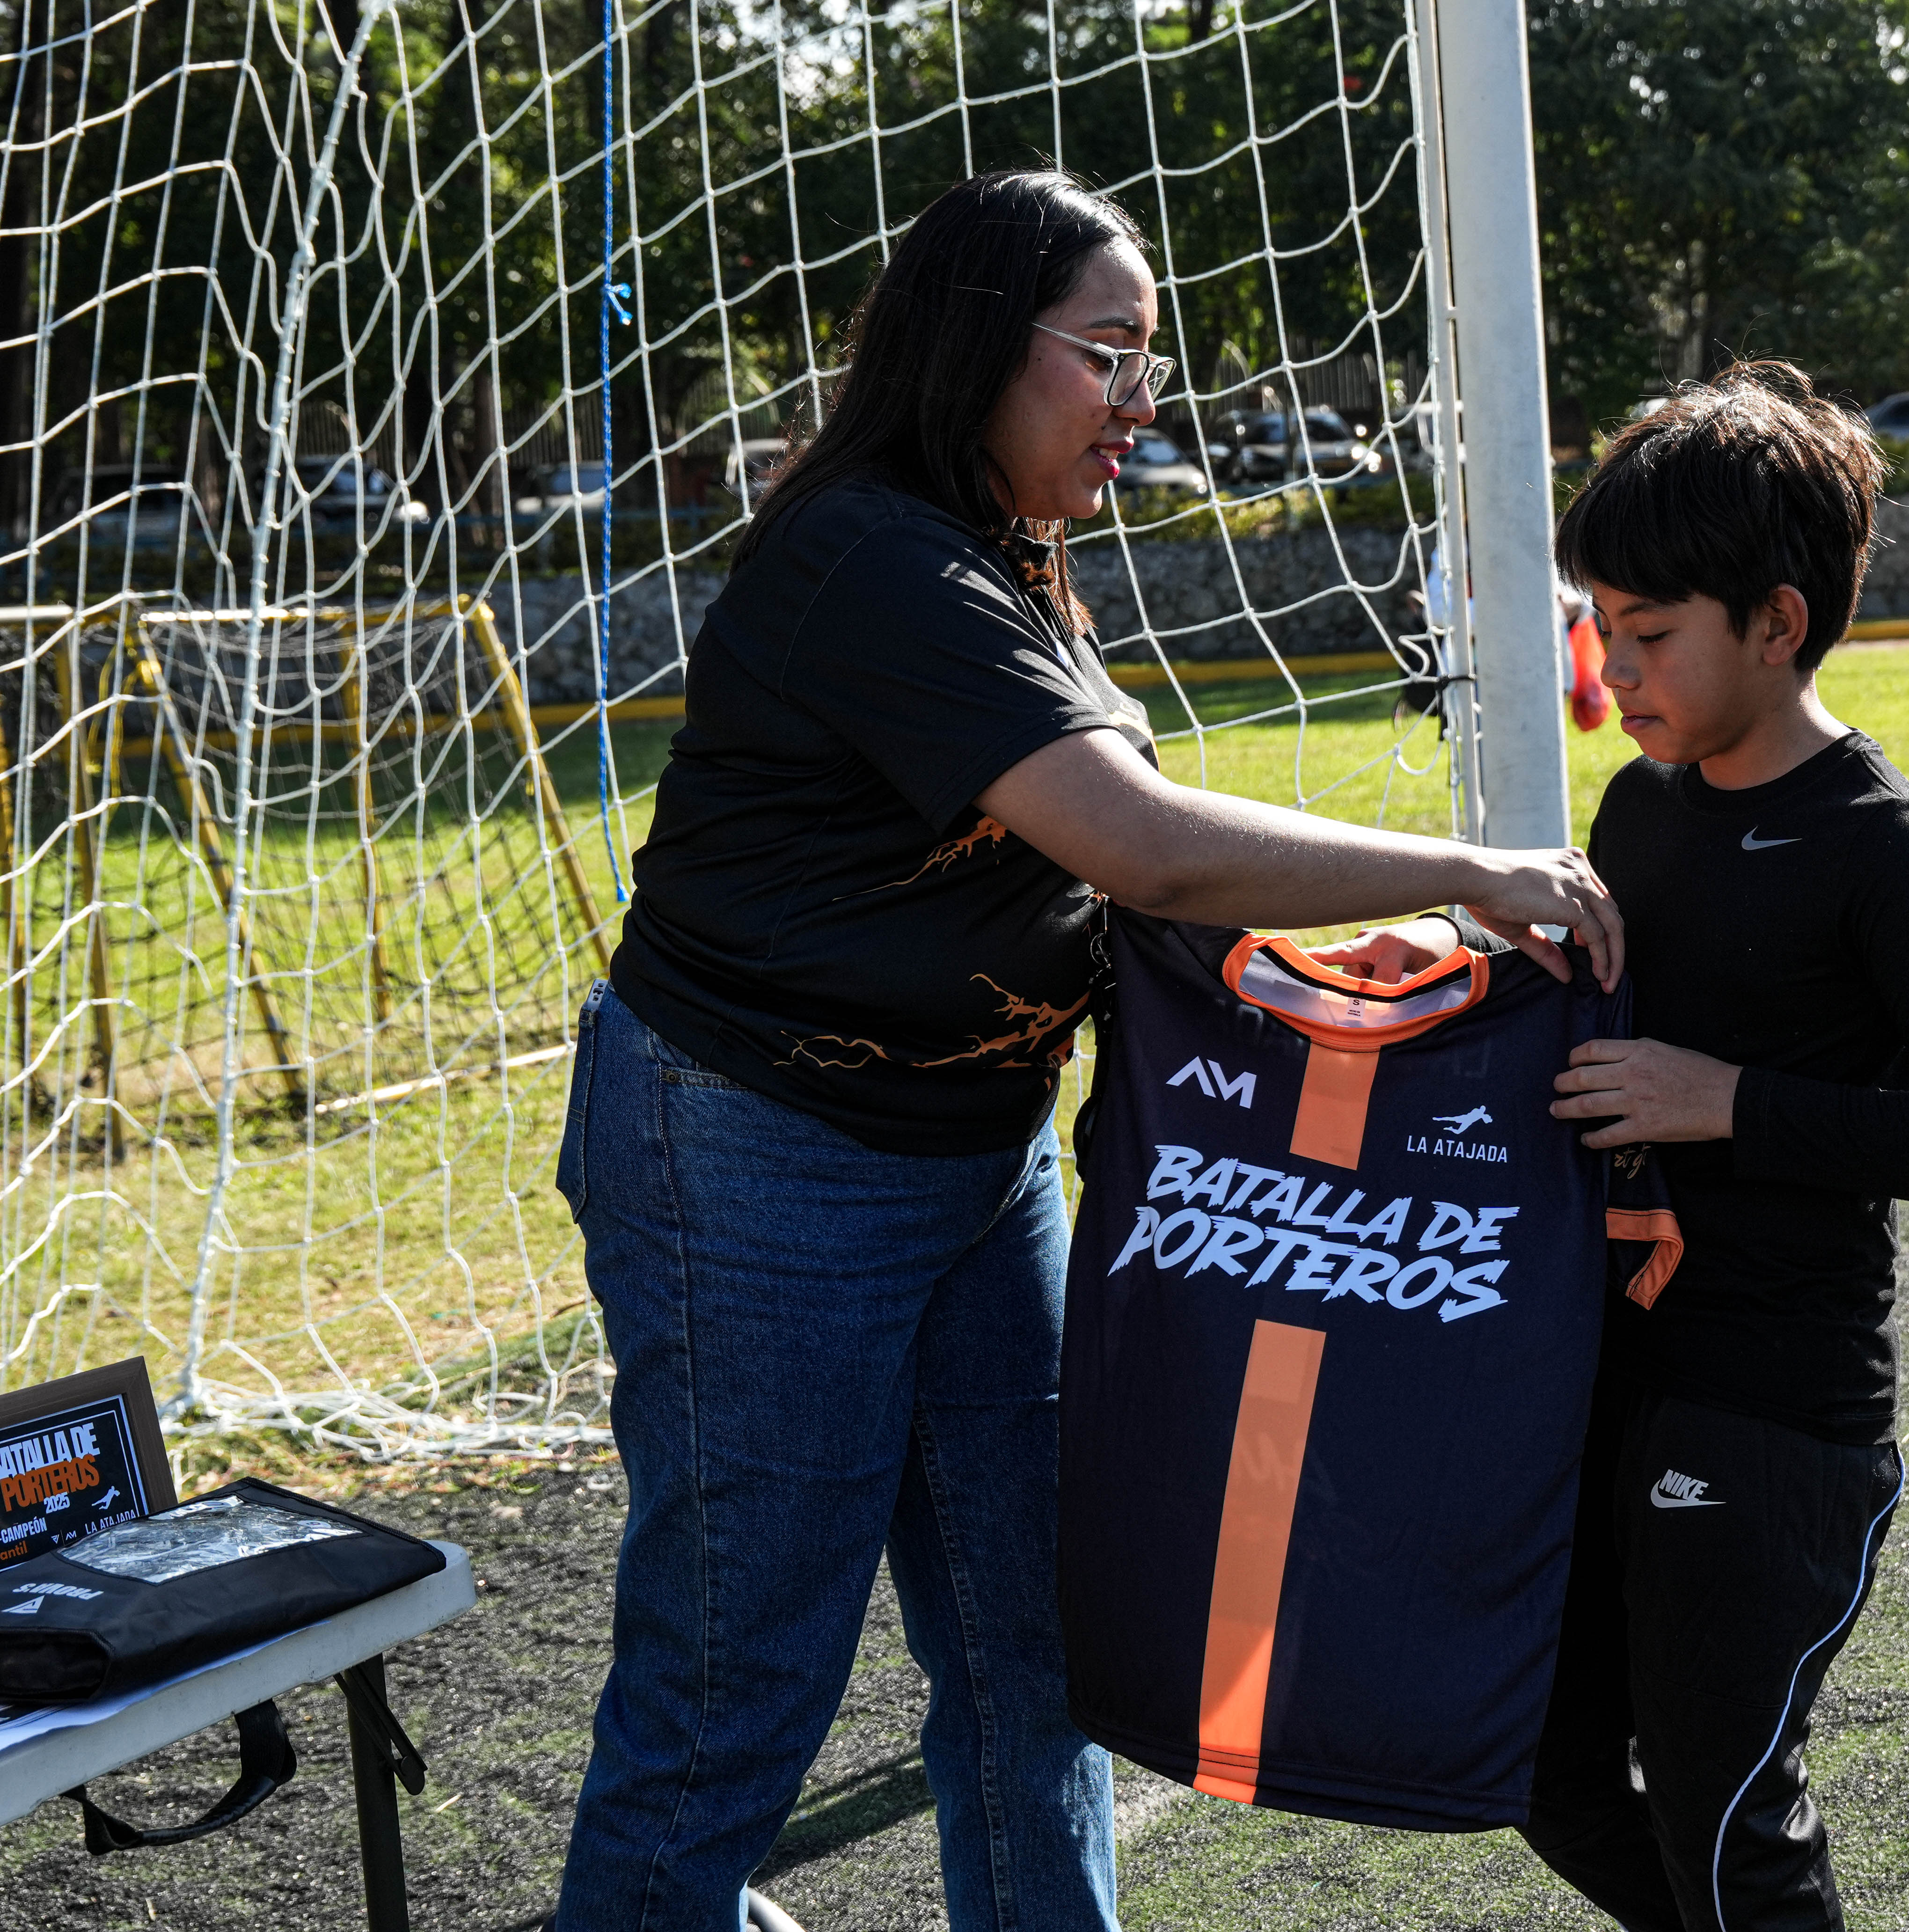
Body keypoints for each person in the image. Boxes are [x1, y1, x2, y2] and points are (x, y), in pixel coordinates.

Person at [549, 168, 1620, 1932]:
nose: (1146, 398)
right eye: (1109, 352)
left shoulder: (1007, 554)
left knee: (1032, 1643)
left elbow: (1101, 890)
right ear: (983, 342)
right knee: (736, 1681)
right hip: (757, 1150)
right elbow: (1138, 843)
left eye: (1152, 358)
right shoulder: (879, 555)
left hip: (974, 1159)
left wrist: (1325, 955)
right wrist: (1470, 871)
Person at [1332, 363, 1909, 1931]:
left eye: (1651, 635)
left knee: (1732, 1818)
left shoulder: (1883, 848)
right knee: (1527, 1752)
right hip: (1597, 1378)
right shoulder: (1640, 811)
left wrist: (1724, 1098)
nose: (1617, 667)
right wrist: (1454, 975)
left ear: (1777, 623)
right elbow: (1595, 1038)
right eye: (1606, 626)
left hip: (1773, 1417)